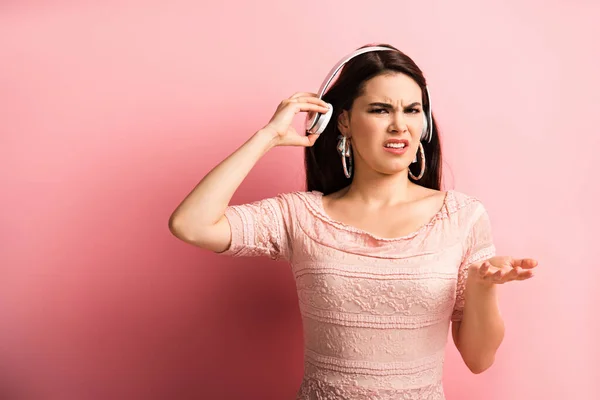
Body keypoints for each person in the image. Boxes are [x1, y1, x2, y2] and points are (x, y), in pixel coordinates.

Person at [168, 43, 538, 400]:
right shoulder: (300, 216)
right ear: (343, 120)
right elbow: (191, 224)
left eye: (412, 110)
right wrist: (267, 137)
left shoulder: (461, 216)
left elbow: (479, 359)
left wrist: (482, 285)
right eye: (380, 110)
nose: (399, 126)